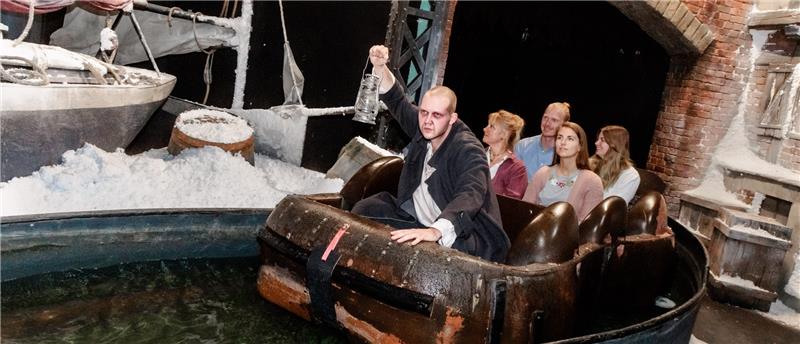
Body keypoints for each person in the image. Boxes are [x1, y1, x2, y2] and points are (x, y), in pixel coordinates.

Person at [351, 45, 510, 263]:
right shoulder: (424, 125)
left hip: (463, 233)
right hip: (418, 218)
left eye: (437, 115)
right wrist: (379, 67)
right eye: (424, 112)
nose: (427, 120)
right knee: (365, 209)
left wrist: (435, 231)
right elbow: (397, 100)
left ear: (452, 119)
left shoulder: (468, 150)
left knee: (438, 258)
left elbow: (471, 193)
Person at [522, 122, 603, 222]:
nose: (563, 142)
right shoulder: (543, 173)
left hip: (568, 236)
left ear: (580, 146)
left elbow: (587, 226)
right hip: (535, 232)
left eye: (570, 138)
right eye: (560, 137)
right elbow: (523, 210)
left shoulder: (592, 181)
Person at [515, 102, 571, 179]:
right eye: (545, 117)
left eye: (554, 120)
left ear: (565, 124)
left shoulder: (567, 155)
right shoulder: (522, 146)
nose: (547, 123)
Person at [482, 110, 528, 199]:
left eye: (491, 126)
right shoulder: (476, 155)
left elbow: (511, 205)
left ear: (504, 135)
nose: (485, 129)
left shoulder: (517, 168)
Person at [590, 125, 641, 204]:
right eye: (598, 139)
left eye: (602, 140)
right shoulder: (591, 163)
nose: (596, 143)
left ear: (615, 144)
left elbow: (613, 206)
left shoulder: (630, 175)